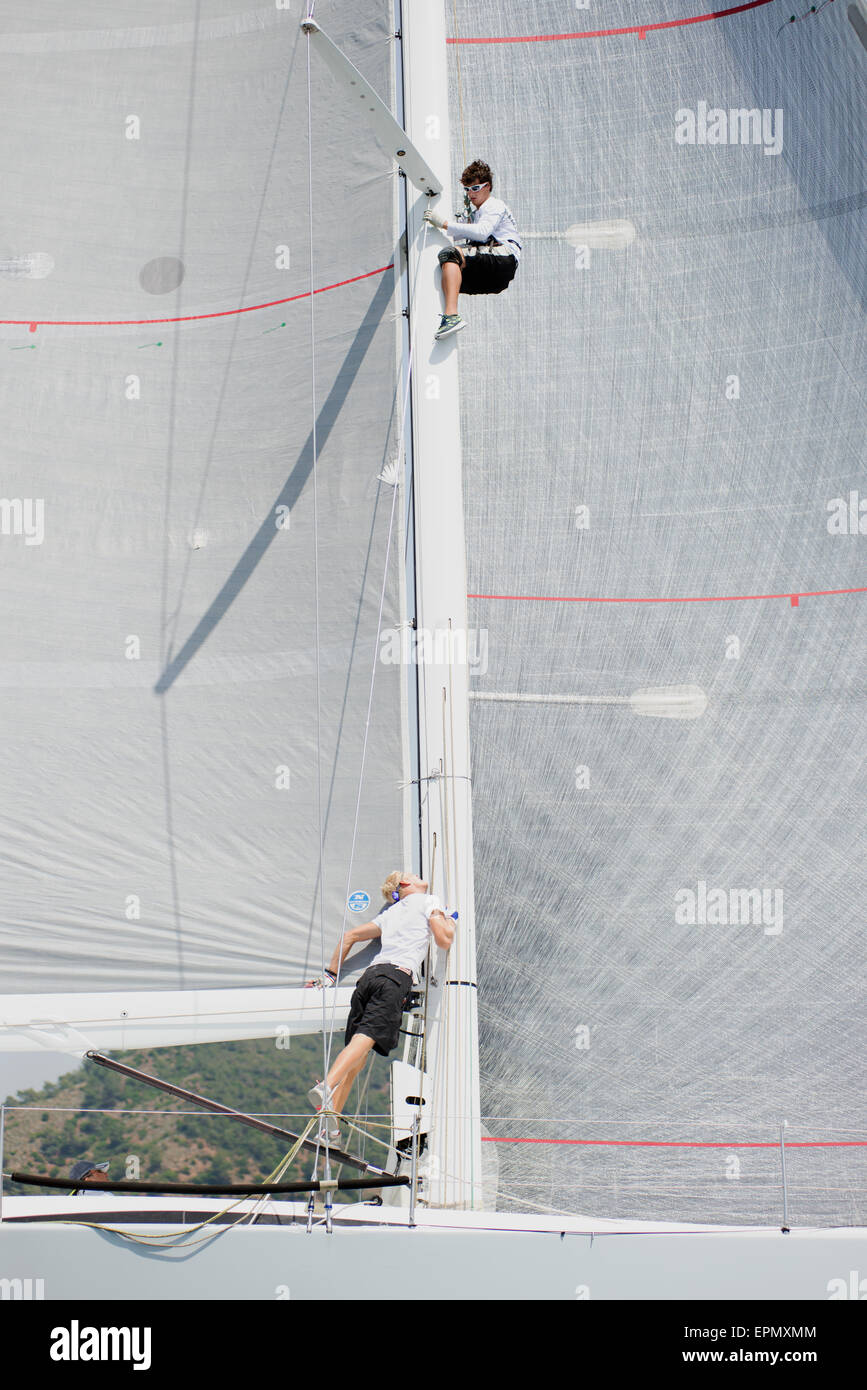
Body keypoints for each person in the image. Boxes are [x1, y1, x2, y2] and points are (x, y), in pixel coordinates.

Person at [305, 871, 454, 1140]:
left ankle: (331, 1127)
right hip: (394, 977)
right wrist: (447, 921)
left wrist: (330, 975)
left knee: (356, 1058)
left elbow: (349, 936)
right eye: (413, 875)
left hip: (369, 979)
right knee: (367, 1037)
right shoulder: (429, 901)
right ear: (406, 884)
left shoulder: (391, 914)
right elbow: (444, 940)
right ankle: (327, 1085)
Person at [423, 159, 522, 340]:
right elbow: (459, 235)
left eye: (475, 188)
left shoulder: (493, 205)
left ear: (487, 187)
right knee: (448, 281)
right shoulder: (476, 213)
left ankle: (451, 316)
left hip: (503, 258)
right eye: (467, 189)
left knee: (450, 254)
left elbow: (483, 233)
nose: (471, 194)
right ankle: (446, 318)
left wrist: (444, 224)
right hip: (495, 275)